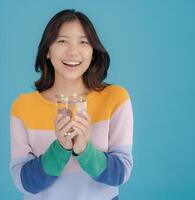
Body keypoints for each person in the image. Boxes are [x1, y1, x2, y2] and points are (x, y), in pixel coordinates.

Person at [9, 9, 133, 200]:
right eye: (62, 41)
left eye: (83, 42)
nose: (73, 52)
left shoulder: (115, 99)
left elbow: (120, 174)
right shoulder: (23, 106)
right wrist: (61, 148)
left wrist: (84, 149)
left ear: (93, 52)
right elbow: (24, 182)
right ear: (47, 51)